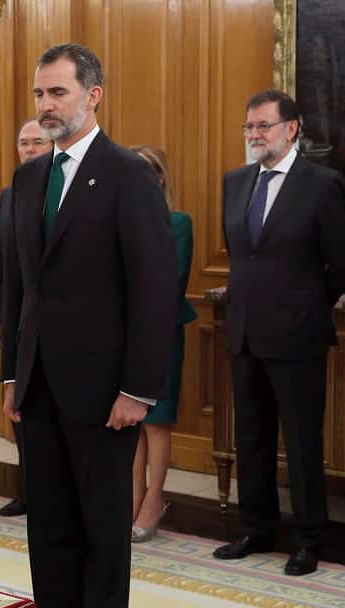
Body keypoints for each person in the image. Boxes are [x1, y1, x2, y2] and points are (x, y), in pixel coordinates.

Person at [0, 44, 176, 608]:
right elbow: (21, 290)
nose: (46, 106)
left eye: (59, 93)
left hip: (107, 397)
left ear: (93, 95)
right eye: (40, 94)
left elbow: (155, 290)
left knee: (104, 535)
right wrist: (14, 373)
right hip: (40, 388)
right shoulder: (27, 180)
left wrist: (138, 388)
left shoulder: (128, 175)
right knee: (49, 529)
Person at [214, 89, 345, 577]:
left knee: (300, 441)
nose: (254, 135)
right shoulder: (234, 182)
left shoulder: (321, 184)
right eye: (249, 127)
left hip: (297, 335)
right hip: (244, 332)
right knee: (250, 435)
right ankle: (256, 528)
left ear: (291, 128)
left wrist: (306, 306)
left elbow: (344, 264)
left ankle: (307, 538)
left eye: (264, 127)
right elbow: (241, 255)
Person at [129, 145, 197, 543]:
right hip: (123, 338)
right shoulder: (117, 221)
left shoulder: (178, 222)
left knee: (156, 422)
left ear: (160, 178)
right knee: (131, 423)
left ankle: (155, 499)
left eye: (147, 172)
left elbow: (170, 285)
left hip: (161, 335)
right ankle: (133, 497)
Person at [0, 119, 53, 517]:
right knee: (18, 405)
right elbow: (2, 260)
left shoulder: (64, 190)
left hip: (55, 321)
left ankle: (47, 494)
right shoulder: (10, 193)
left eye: (37, 142)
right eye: (23, 142)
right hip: (16, 319)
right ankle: (27, 489)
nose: (29, 149)